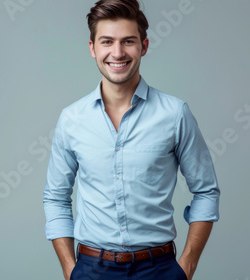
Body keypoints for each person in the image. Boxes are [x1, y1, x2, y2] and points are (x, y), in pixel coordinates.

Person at [43, 0, 221, 279]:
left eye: (128, 41)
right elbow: (55, 197)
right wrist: (69, 268)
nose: (117, 52)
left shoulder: (175, 114)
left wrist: (187, 266)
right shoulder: (71, 119)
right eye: (106, 42)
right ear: (92, 48)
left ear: (144, 47)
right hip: (92, 269)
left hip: (159, 269)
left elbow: (206, 191)